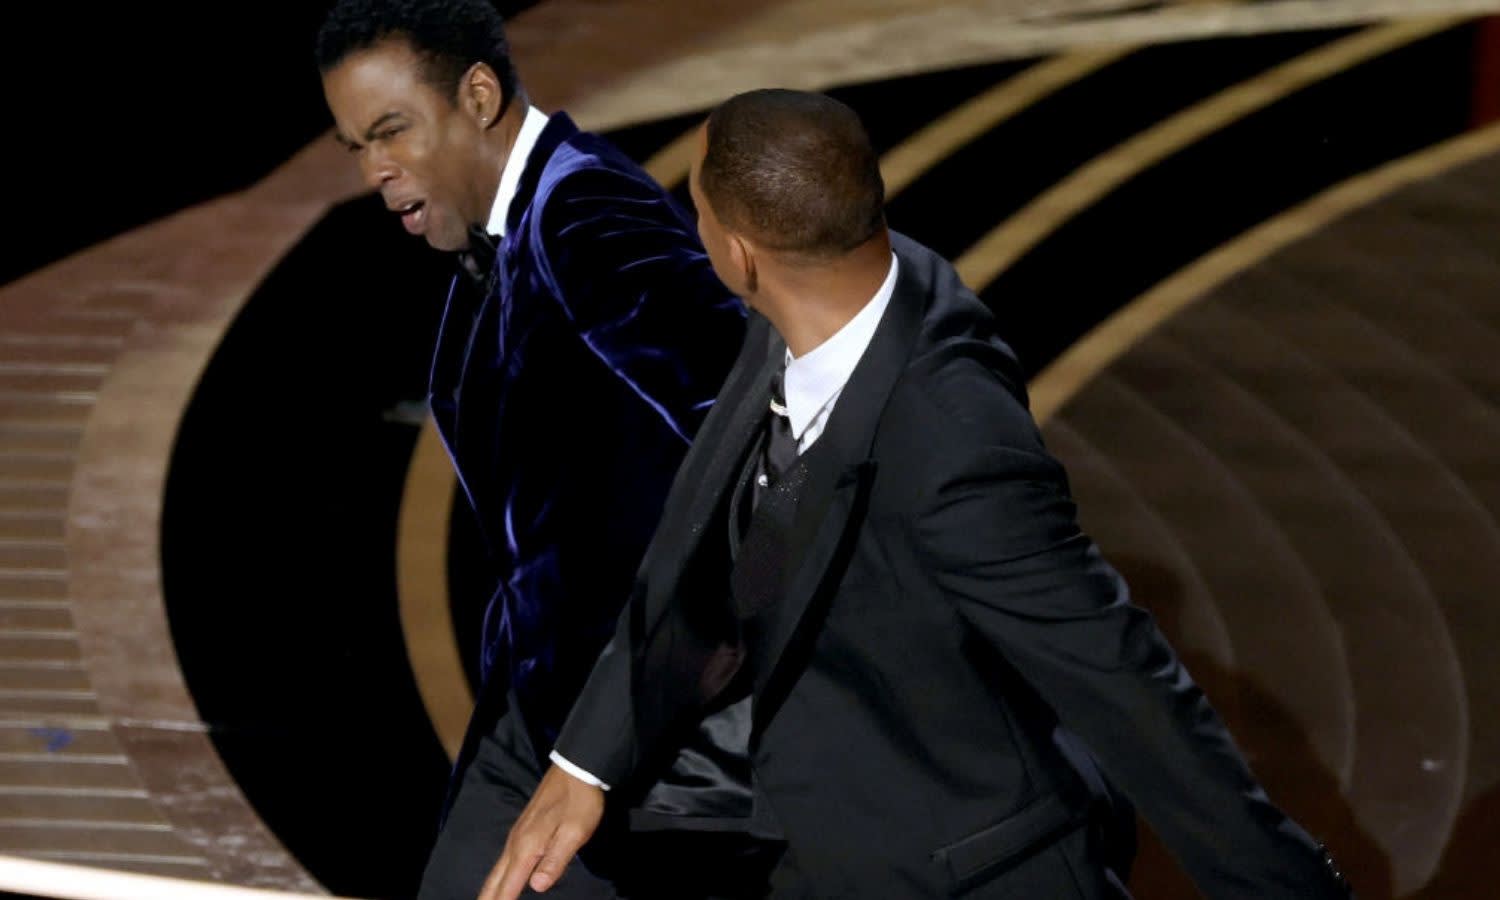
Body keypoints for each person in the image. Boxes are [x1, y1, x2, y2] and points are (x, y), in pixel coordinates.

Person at [483, 89, 1355, 899]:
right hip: (820, 830)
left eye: (698, 213)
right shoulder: (832, 292)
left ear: (740, 256)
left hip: (963, 873)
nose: (692, 226)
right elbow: (715, 545)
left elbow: (1124, 683)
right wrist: (585, 763)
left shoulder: (953, 450)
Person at [315, 1, 760, 896]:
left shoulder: (585, 211)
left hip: (643, 744)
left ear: (478, 96)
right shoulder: (511, 228)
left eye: (391, 131)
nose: (374, 170)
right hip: (541, 713)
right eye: (355, 145)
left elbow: (751, 428)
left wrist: (621, 730)